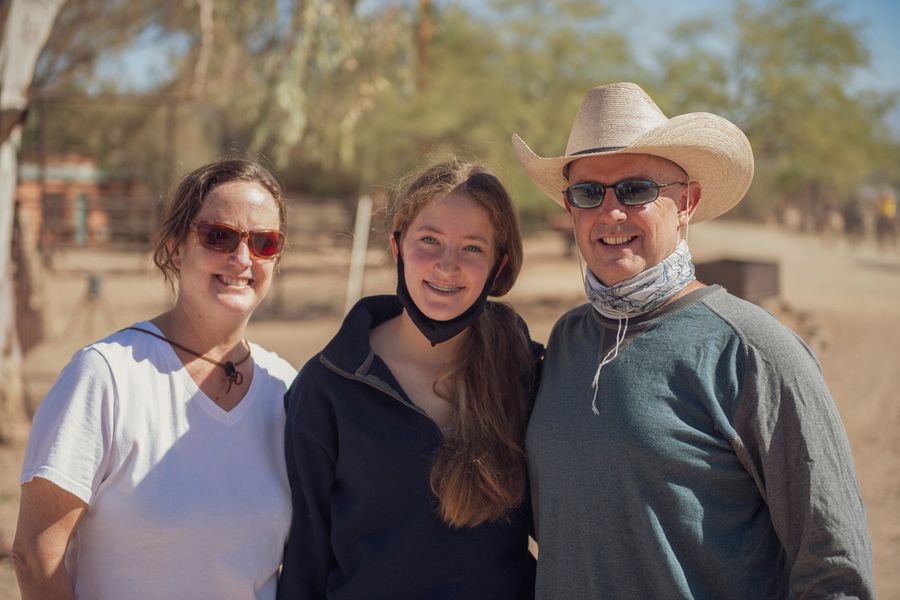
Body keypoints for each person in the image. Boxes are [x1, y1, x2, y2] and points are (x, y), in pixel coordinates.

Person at [512, 82, 874, 599]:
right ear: (570, 209)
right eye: (589, 193)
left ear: (686, 202)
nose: (611, 213)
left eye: (636, 190)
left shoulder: (753, 351)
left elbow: (834, 570)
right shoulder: (568, 339)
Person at [12, 157, 297, 600]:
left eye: (264, 242)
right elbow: (36, 553)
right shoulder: (106, 375)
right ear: (175, 247)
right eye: (219, 236)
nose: (242, 258)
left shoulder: (286, 389)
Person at [278, 159, 541, 600]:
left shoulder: (526, 374)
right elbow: (305, 560)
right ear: (397, 245)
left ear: (500, 265)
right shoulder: (328, 387)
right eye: (429, 240)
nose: (446, 265)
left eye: (473, 248)